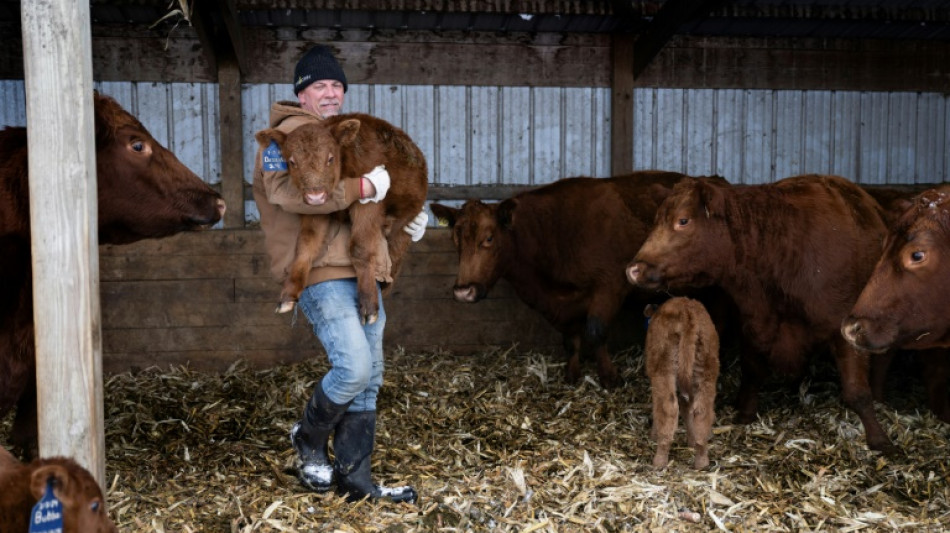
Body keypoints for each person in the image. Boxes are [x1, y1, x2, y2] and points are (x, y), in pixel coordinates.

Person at [252, 44, 426, 504]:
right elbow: (287, 195)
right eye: (318, 86)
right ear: (300, 92)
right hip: (319, 270)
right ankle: (308, 441)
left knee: (370, 375)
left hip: (359, 268)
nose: (329, 94)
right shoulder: (282, 138)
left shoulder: (339, 136)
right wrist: (366, 186)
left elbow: (369, 205)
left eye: (336, 86)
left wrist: (399, 219)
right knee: (353, 366)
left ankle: (356, 478)